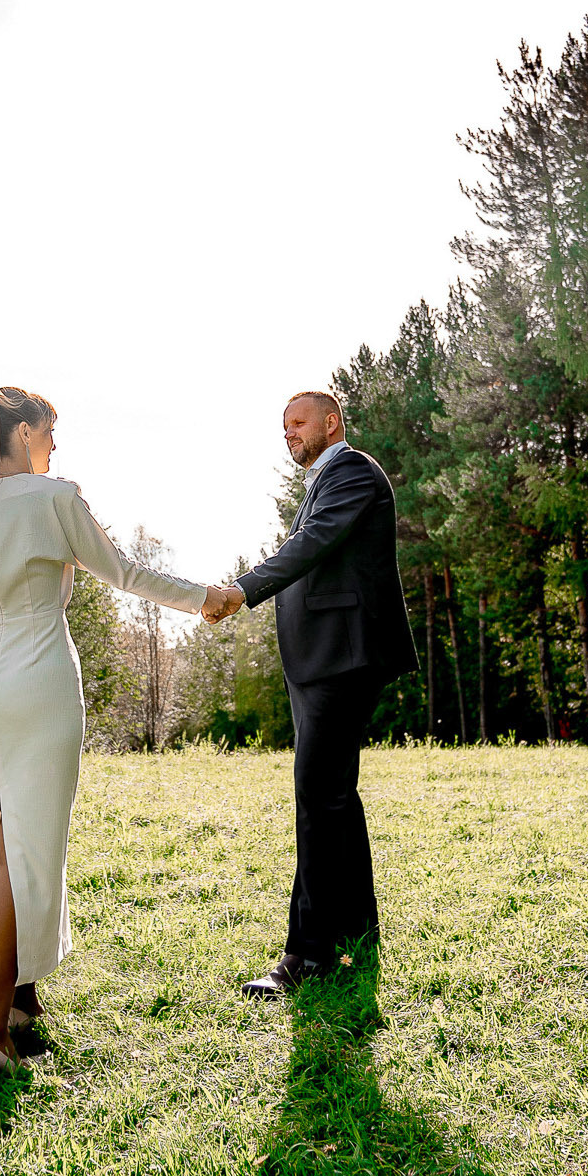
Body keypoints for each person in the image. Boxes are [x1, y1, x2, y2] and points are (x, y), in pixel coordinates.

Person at [0, 381, 238, 1074]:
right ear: (18, 435)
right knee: (25, 857)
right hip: (38, 681)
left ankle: (18, 1004)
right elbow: (124, 573)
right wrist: (206, 600)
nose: (54, 445)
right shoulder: (54, 498)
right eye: (47, 432)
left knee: (10, 850)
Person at [209, 391, 415, 998]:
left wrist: (244, 589)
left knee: (317, 797)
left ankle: (308, 953)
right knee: (334, 796)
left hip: (342, 655)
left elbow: (313, 544)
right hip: (321, 658)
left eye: (298, 422)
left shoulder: (350, 470)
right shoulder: (325, 479)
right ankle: (357, 930)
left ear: (332, 422)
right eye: (283, 427)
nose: (289, 433)